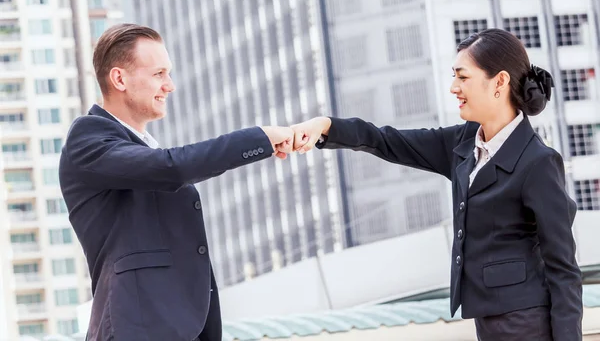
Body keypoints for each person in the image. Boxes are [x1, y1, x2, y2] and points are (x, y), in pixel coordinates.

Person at [291, 29, 583, 340]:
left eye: (463, 77)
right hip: (490, 321)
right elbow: (388, 141)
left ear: (499, 82)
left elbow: (563, 270)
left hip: (527, 323)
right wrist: (326, 127)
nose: (454, 87)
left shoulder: (538, 162)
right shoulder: (463, 143)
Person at [59, 24, 294, 341]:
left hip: (181, 329)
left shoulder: (141, 145)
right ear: (119, 79)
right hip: (138, 330)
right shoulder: (88, 138)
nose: (169, 85)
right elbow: (171, 168)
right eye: (159, 74)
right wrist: (260, 139)